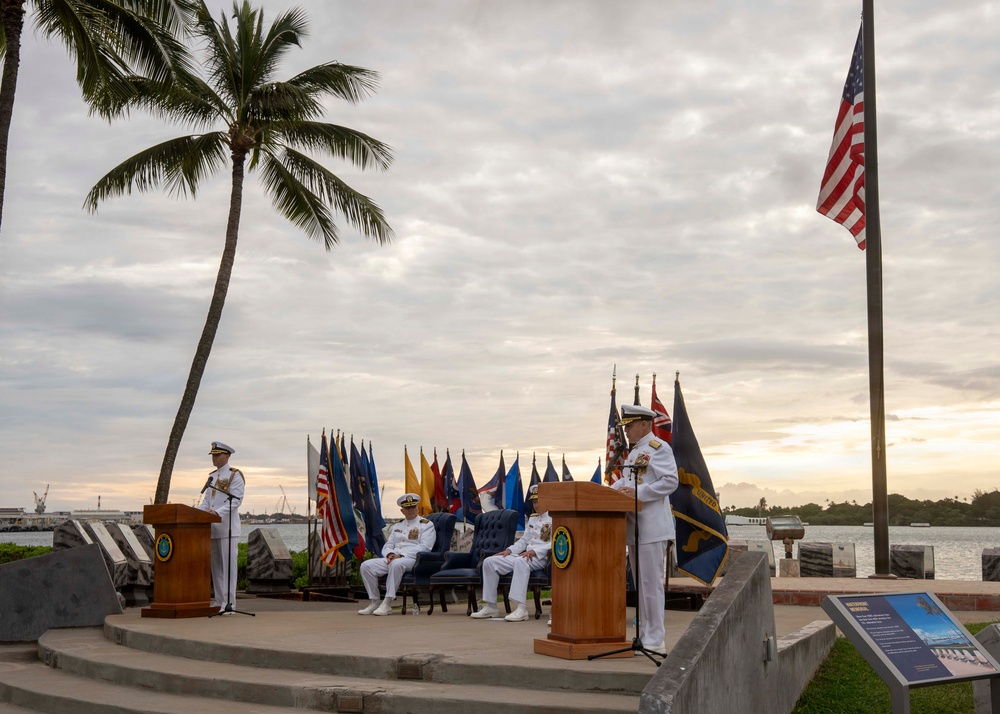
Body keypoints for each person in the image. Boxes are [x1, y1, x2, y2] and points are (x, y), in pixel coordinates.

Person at [610, 404, 678, 655]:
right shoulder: (634, 452)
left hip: (651, 527)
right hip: (635, 528)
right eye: (625, 426)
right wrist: (607, 492)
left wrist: (641, 493)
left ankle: (656, 638)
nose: (626, 431)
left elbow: (670, 480)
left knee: (651, 584)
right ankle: (646, 635)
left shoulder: (659, 449)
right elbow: (627, 483)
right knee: (641, 585)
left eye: (629, 426)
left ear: (644, 425)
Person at [471, 485, 552, 622]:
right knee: (490, 562)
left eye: (539, 501)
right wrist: (509, 550)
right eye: (534, 502)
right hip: (526, 556)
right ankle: (491, 606)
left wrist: (535, 551)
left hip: (541, 557)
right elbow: (524, 540)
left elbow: (555, 542)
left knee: (521, 561)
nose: (536, 505)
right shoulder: (532, 518)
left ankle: (521, 609)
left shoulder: (554, 517)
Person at [358, 493, 436, 616]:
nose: (411, 510)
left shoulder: (426, 524)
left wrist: (400, 555)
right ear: (402, 511)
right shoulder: (397, 525)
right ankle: (374, 601)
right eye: (408, 508)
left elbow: (425, 547)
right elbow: (388, 544)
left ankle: (387, 603)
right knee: (366, 566)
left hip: (413, 559)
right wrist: (389, 554)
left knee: (396, 564)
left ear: (418, 508)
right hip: (394, 558)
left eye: (413, 507)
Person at [197, 441, 245, 613]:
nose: (214, 458)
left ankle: (229, 604)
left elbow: (236, 500)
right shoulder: (211, 477)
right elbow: (206, 502)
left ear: (227, 456)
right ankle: (219, 602)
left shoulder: (235, 475)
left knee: (228, 568)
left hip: (227, 529)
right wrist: (197, 514)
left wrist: (216, 513)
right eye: (213, 455)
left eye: (217, 455)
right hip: (212, 530)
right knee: (216, 568)